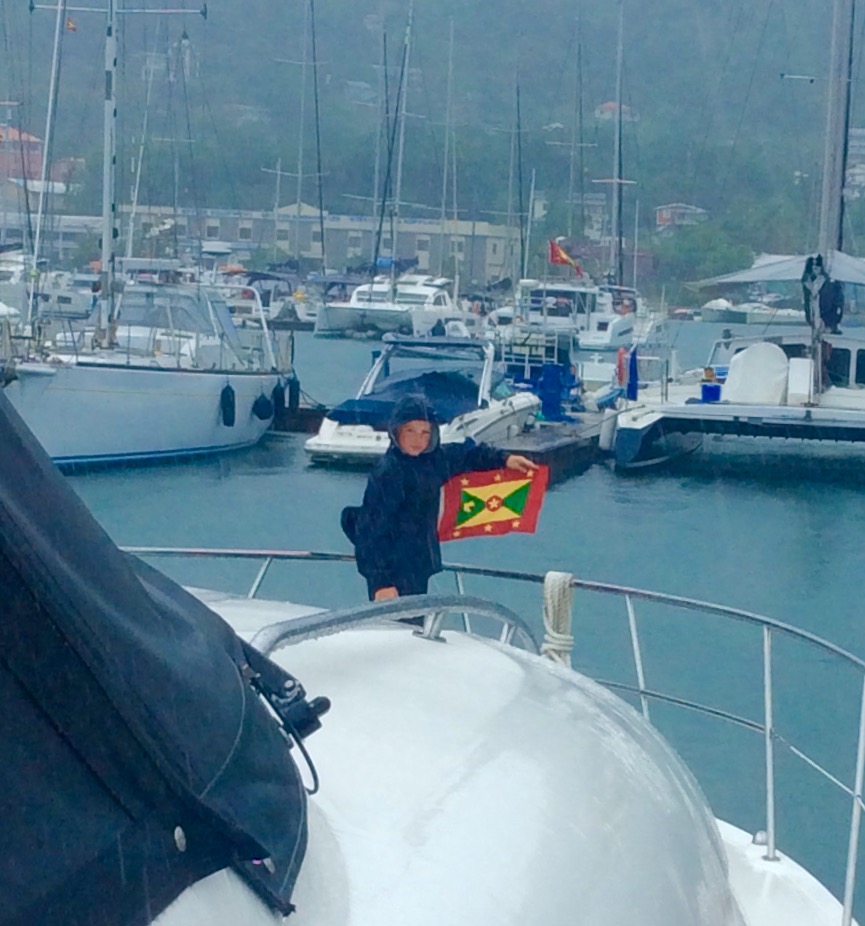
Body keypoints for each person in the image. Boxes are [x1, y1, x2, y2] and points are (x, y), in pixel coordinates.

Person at [341, 394, 538, 601]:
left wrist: (505, 459)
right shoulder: (389, 472)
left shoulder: (435, 460)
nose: (418, 440)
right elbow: (371, 531)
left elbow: (468, 454)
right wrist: (381, 582)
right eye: (411, 431)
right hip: (392, 572)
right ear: (396, 431)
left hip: (418, 564)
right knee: (396, 630)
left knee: (416, 629)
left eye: (425, 432)